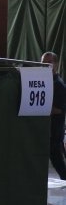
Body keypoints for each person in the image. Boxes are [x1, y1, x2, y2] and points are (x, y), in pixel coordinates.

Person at [44, 52, 66, 180]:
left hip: (55, 130)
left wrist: (41, 108)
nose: (45, 65)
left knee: (57, 160)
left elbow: (60, 110)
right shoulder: (43, 81)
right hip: (46, 130)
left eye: (49, 63)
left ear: (55, 64)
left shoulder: (59, 85)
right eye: (43, 62)